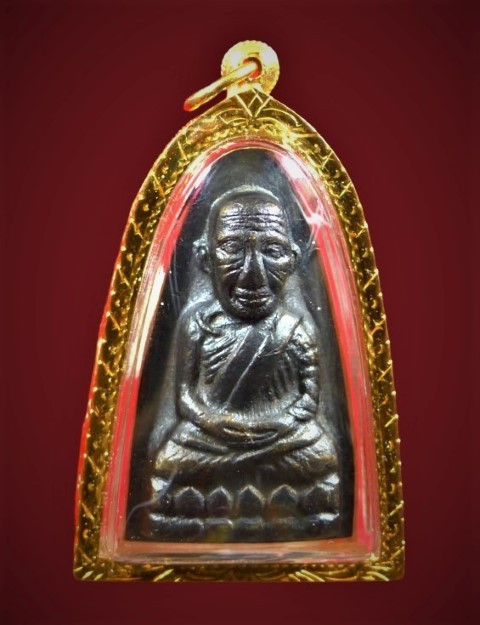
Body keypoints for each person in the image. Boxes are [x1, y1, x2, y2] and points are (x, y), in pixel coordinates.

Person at [144, 186, 341, 542]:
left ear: (294, 259)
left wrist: (278, 425)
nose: (253, 274)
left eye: (273, 251)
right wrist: (216, 423)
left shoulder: (296, 328)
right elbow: (185, 398)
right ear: (206, 259)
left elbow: (309, 400)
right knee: (171, 459)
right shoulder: (197, 324)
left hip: (282, 440)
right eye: (233, 249)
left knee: (322, 453)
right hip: (210, 440)